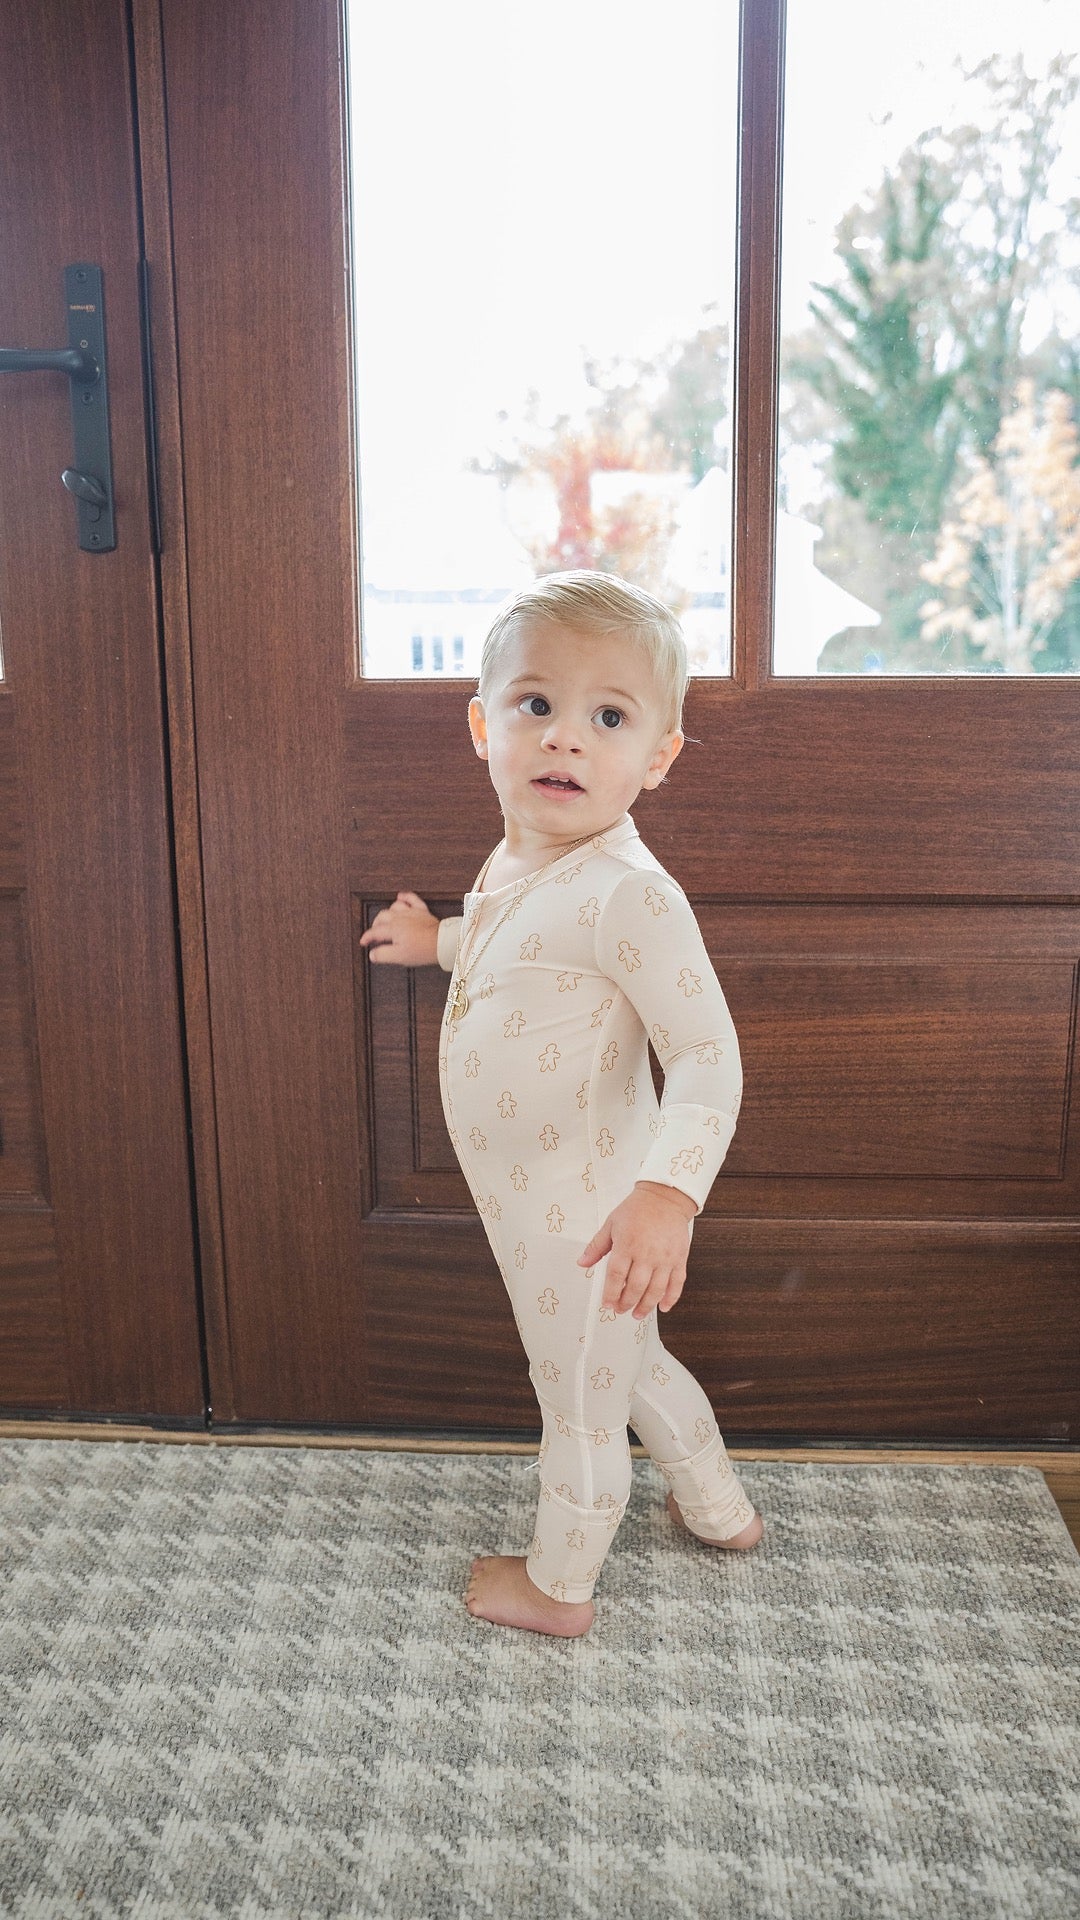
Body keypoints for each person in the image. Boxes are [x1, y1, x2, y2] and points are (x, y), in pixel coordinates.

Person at [359, 570, 764, 1638]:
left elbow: (709, 1057)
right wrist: (436, 940)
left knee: (577, 1398)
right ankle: (720, 1510)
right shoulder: (521, 859)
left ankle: (560, 1585)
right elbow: (517, 949)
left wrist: (667, 1196)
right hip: (528, 1200)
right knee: (629, 1368)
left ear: (659, 757)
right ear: (483, 725)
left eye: (610, 717)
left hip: (588, 1216)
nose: (566, 741)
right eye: (537, 706)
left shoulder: (633, 893)